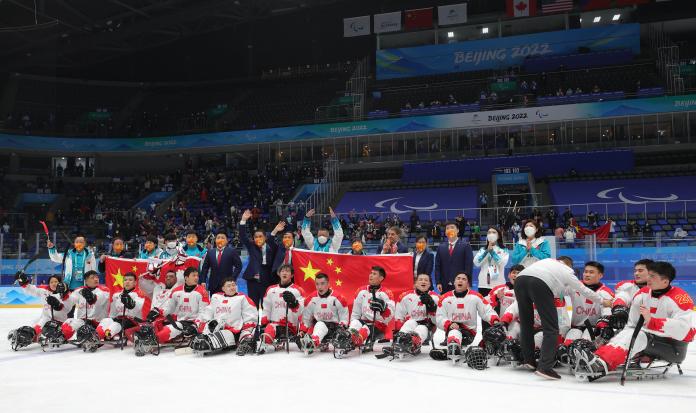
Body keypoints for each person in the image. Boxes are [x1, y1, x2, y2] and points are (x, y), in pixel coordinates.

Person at [575, 261, 695, 379]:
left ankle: (601, 365)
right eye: (649, 275)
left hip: (674, 348)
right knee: (628, 332)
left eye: (652, 276)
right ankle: (599, 358)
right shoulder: (642, 294)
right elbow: (631, 325)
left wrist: (653, 322)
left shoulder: (680, 298)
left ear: (665, 281)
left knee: (640, 335)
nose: (648, 278)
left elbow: (686, 331)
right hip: (649, 339)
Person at [513, 257, 613, 380]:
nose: (586, 274)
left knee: (526, 323)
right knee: (551, 328)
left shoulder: (547, 261)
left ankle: (528, 360)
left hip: (520, 280)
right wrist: (603, 301)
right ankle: (545, 367)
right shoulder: (567, 272)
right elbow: (583, 289)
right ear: (570, 267)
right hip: (539, 284)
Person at [436, 273, 499, 360]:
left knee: (455, 333)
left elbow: (487, 311)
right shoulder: (445, 298)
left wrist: (494, 320)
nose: (460, 280)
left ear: (468, 284)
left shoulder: (476, 297)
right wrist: (449, 324)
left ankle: (453, 350)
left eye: (464, 279)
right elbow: (439, 317)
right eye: (458, 278)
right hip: (451, 330)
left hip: (469, 333)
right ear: (454, 282)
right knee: (454, 332)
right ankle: (454, 350)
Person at [192, 278, 258, 355]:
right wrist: (203, 327)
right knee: (203, 334)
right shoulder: (216, 297)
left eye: (233, 285)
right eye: (229, 286)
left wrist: (246, 333)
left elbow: (250, 317)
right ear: (223, 288)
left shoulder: (242, 298)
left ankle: (207, 342)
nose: (232, 287)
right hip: (216, 329)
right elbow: (208, 312)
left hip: (233, 332)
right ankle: (203, 340)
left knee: (208, 341)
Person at [8, 274, 72, 350]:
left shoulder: (66, 294)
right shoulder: (44, 291)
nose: (54, 284)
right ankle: (22, 337)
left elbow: (67, 308)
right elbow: (31, 289)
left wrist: (58, 305)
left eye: (56, 281)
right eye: (51, 282)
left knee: (53, 334)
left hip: (60, 322)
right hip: (45, 319)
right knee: (35, 333)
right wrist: (24, 282)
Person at [563, 262, 615, 346]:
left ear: (600, 275)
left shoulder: (606, 293)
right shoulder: (573, 286)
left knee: (586, 347)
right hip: (574, 328)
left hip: (594, 328)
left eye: (591, 272)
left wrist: (604, 327)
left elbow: (607, 313)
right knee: (568, 346)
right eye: (585, 272)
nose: (587, 275)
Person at [156, 267, 210, 344]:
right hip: (180, 323)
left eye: (197, 276)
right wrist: (158, 311)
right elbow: (169, 308)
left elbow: (204, 312)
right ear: (186, 278)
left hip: (195, 323)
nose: (196, 278)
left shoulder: (202, 291)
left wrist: (195, 325)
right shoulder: (176, 291)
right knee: (162, 334)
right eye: (193, 275)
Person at [299, 273, 349, 354]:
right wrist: (302, 331)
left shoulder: (338, 298)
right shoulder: (311, 298)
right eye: (317, 284)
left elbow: (344, 318)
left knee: (320, 324)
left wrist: (341, 328)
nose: (319, 287)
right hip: (317, 327)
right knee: (317, 324)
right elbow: (306, 318)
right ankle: (312, 341)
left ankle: (313, 342)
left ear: (328, 284)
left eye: (322, 283)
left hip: (334, 329)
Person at [239, 210, 282, 306]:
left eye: (260, 236)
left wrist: (275, 231)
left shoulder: (271, 246)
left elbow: (271, 240)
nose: (258, 238)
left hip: (266, 280)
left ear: (265, 237)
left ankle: (265, 321)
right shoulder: (251, 246)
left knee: (266, 306)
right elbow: (243, 236)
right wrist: (243, 220)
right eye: (256, 237)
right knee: (252, 306)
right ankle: (253, 321)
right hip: (252, 281)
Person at [259, 264, 306, 351]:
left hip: (290, 327)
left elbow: (304, 311)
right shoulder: (270, 290)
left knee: (269, 331)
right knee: (267, 334)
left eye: (287, 271)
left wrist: (294, 303)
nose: (285, 273)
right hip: (273, 325)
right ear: (279, 273)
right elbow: (266, 309)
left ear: (292, 275)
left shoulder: (298, 290)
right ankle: (267, 343)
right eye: (282, 271)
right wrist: (263, 323)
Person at [390, 273, 438, 356]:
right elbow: (399, 316)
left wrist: (432, 306)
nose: (423, 281)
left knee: (421, 327)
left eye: (426, 280)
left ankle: (412, 344)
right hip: (413, 322)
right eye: (420, 279)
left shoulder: (435, 297)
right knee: (410, 322)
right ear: (415, 283)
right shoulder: (406, 296)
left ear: (429, 284)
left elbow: (439, 319)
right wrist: (398, 330)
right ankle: (399, 341)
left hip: (427, 326)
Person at [96, 272, 151, 342]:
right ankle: (97, 335)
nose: (127, 282)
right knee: (106, 320)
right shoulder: (116, 294)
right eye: (125, 280)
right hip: (119, 319)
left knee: (116, 324)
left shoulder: (139, 294)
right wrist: (110, 319)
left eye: (130, 280)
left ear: (135, 283)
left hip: (132, 321)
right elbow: (113, 313)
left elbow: (136, 308)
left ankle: (109, 334)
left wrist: (130, 303)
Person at [349, 266, 395, 347]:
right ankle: (348, 338)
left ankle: (357, 340)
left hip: (379, 325)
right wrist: (352, 325)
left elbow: (390, 315)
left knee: (366, 328)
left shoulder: (387, 293)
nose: (371, 275)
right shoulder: (361, 291)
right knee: (355, 323)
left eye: (374, 274)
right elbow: (356, 313)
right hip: (363, 321)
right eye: (371, 273)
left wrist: (384, 309)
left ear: (381, 278)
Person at [60, 271, 111, 342]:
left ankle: (96, 337)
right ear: (86, 281)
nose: (96, 279)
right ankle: (61, 337)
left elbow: (99, 300)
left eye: (97, 277)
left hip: (98, 322)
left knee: (102, 329)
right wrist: (65, 294)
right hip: (83, 322)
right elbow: (70, 301)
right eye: (92, 278)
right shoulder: (79, 290)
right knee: (68, 323)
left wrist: (92, 297)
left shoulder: (104, 290)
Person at [434, 222, 473, 293]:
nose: (450, 230)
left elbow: (468, 266)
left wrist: (468, 282)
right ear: (445, 232)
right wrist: (438, 282)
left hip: (460, 284)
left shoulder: (466, 246)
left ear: (457, 230)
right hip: (444, 285)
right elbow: (437, 266)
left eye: (452, 227)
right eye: (447, 228)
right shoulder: (441, 247)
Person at [474, 227, 509, 297]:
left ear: (498, 236)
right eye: (489, 232)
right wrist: (486, 251)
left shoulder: (504, 250)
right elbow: (476, 262)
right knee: (484, 306)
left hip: (498, 283)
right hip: (483, 283)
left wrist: (492, 252)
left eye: (494, 232)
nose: (491, 234)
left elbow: (502, 264)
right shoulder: (482, 250)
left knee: (498, 306)